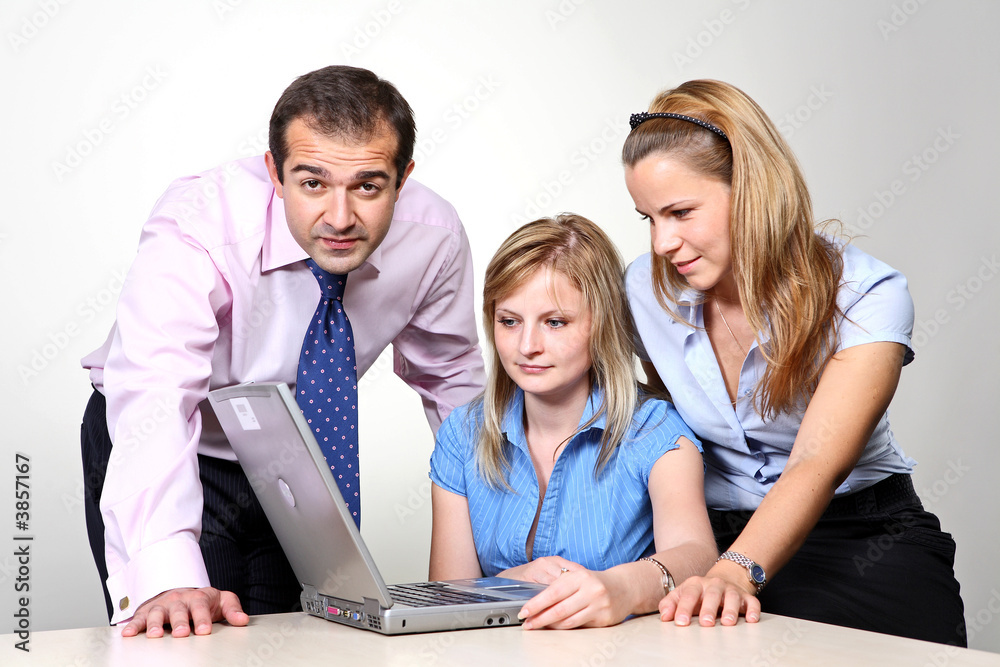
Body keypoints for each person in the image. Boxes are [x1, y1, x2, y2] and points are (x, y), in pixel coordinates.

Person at [80, 65, 485, 638]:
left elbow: (451, 381)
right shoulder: (200, 222)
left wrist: (500, 524)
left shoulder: (434, 236)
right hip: (175, 440)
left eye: (368, 185)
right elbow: (157, 395)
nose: (340, 218)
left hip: (290, 451)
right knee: (193, 636)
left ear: (403, 176)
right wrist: (167, 573)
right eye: (312, 182)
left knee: (302, 637)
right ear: (274, 171)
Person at [621, 80, 966, 645]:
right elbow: (658, 417)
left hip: (859, 535)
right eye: (648, 218)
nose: (662, 242)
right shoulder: (643, 289)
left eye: (681, 212)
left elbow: (815, 460)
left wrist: (736, 573)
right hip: (704, 540)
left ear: (752, 191)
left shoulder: (865, 294)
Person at [429, 214, 718, 629]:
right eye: (509, 321)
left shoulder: (656, 430)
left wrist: (619, 588)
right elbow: (442, 598)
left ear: (600, 323)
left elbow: (698, 555)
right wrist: (507, 585)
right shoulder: (462, 434)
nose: (527, 346)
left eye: (555, 322)